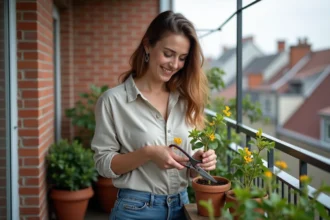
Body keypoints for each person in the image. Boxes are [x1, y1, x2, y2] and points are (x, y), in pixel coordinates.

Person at [91, 10, 217, 220]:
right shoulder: (113, 101)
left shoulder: (187, 101)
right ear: (148, 45)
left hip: (183, 208)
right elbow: (104, 164)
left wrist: (197, 162)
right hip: (135, 210)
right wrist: (148, 153)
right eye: (168, 53)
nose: (174, 64)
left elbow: (189, 171)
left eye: (182, 58)